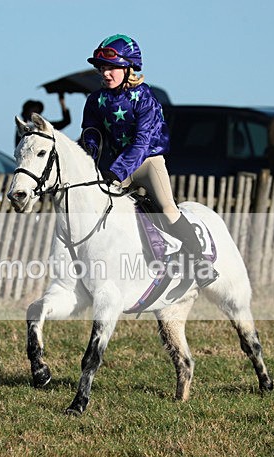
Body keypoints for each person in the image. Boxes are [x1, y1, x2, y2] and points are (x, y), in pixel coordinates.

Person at [79, 33, 215, 285]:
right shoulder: (95, 100)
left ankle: (200, 263)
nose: (105, 73)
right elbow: (91, 134)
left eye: (112, 68)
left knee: (167, 208)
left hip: (148, 161)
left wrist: (116, 171)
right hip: (118, 165)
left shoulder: (144, 98)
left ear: (128, 67)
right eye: (102, 68)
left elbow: (142, 143)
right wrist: (88, 157)